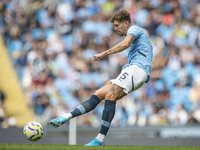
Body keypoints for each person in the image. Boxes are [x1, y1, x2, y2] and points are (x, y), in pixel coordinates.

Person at [49, 9, 153, 146]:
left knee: (110, 96)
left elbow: (125, 44)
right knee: (98, 94)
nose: (115, 29)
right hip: (131, 69)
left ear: (126, 23)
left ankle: (100, 139)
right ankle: (66, 116)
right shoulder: (135, 35)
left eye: (117, 25)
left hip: (138, 69)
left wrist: (103, 53)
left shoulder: (134, 29)